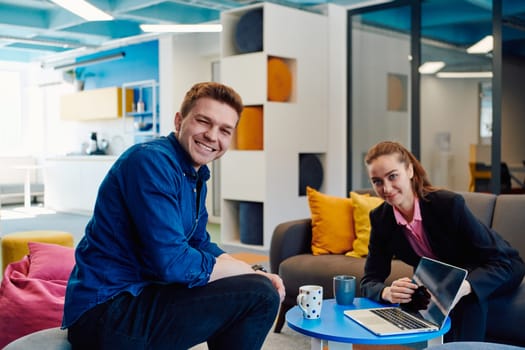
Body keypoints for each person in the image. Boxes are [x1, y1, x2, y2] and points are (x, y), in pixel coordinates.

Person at [62, 82, 285, 349]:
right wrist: (252, 275)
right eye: (204, 121)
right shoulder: (150, 162)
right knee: (260, 294)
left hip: (143, 295)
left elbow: (199, 242)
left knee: (253, 285)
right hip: (107, 312)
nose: (213, 136)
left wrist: (248, 271)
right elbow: (172, 263)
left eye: (225, 130)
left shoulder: (194, 174)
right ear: (179, 121)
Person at [360, 140, 525, 342]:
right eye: (377, 181)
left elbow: (499, 260)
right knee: (412, 301)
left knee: (467, 299)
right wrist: (386, 292)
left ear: (410, 171)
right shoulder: (381, 218)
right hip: (441, 279)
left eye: (393, 176)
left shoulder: (448, 204)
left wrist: (464, 286)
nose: (386, 188)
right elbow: (369, 280)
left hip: (498, 266)